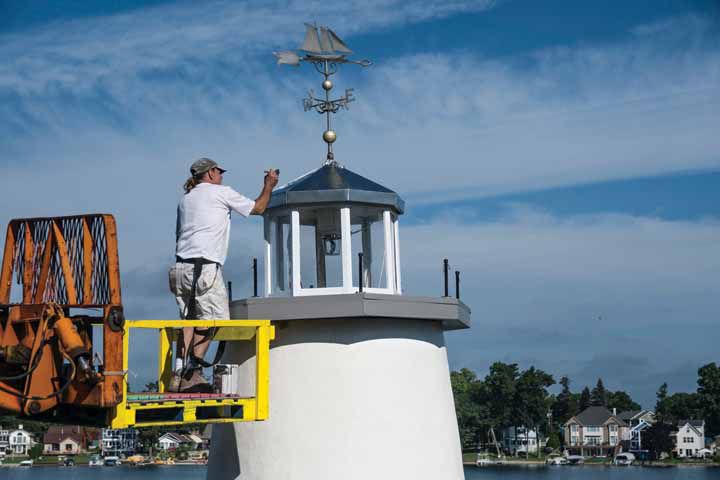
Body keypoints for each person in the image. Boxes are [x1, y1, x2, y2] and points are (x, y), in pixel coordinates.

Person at [168, 157, 278, 392]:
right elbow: (258, 208)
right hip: (204, 268)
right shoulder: (220, 193)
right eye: (219, 172)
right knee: (215, 320)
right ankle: (192, 374)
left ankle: (177, 373)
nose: (221, 176)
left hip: (180, 269)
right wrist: (269, 185)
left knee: (188, 320)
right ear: (209, 174)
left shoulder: (185, 200)